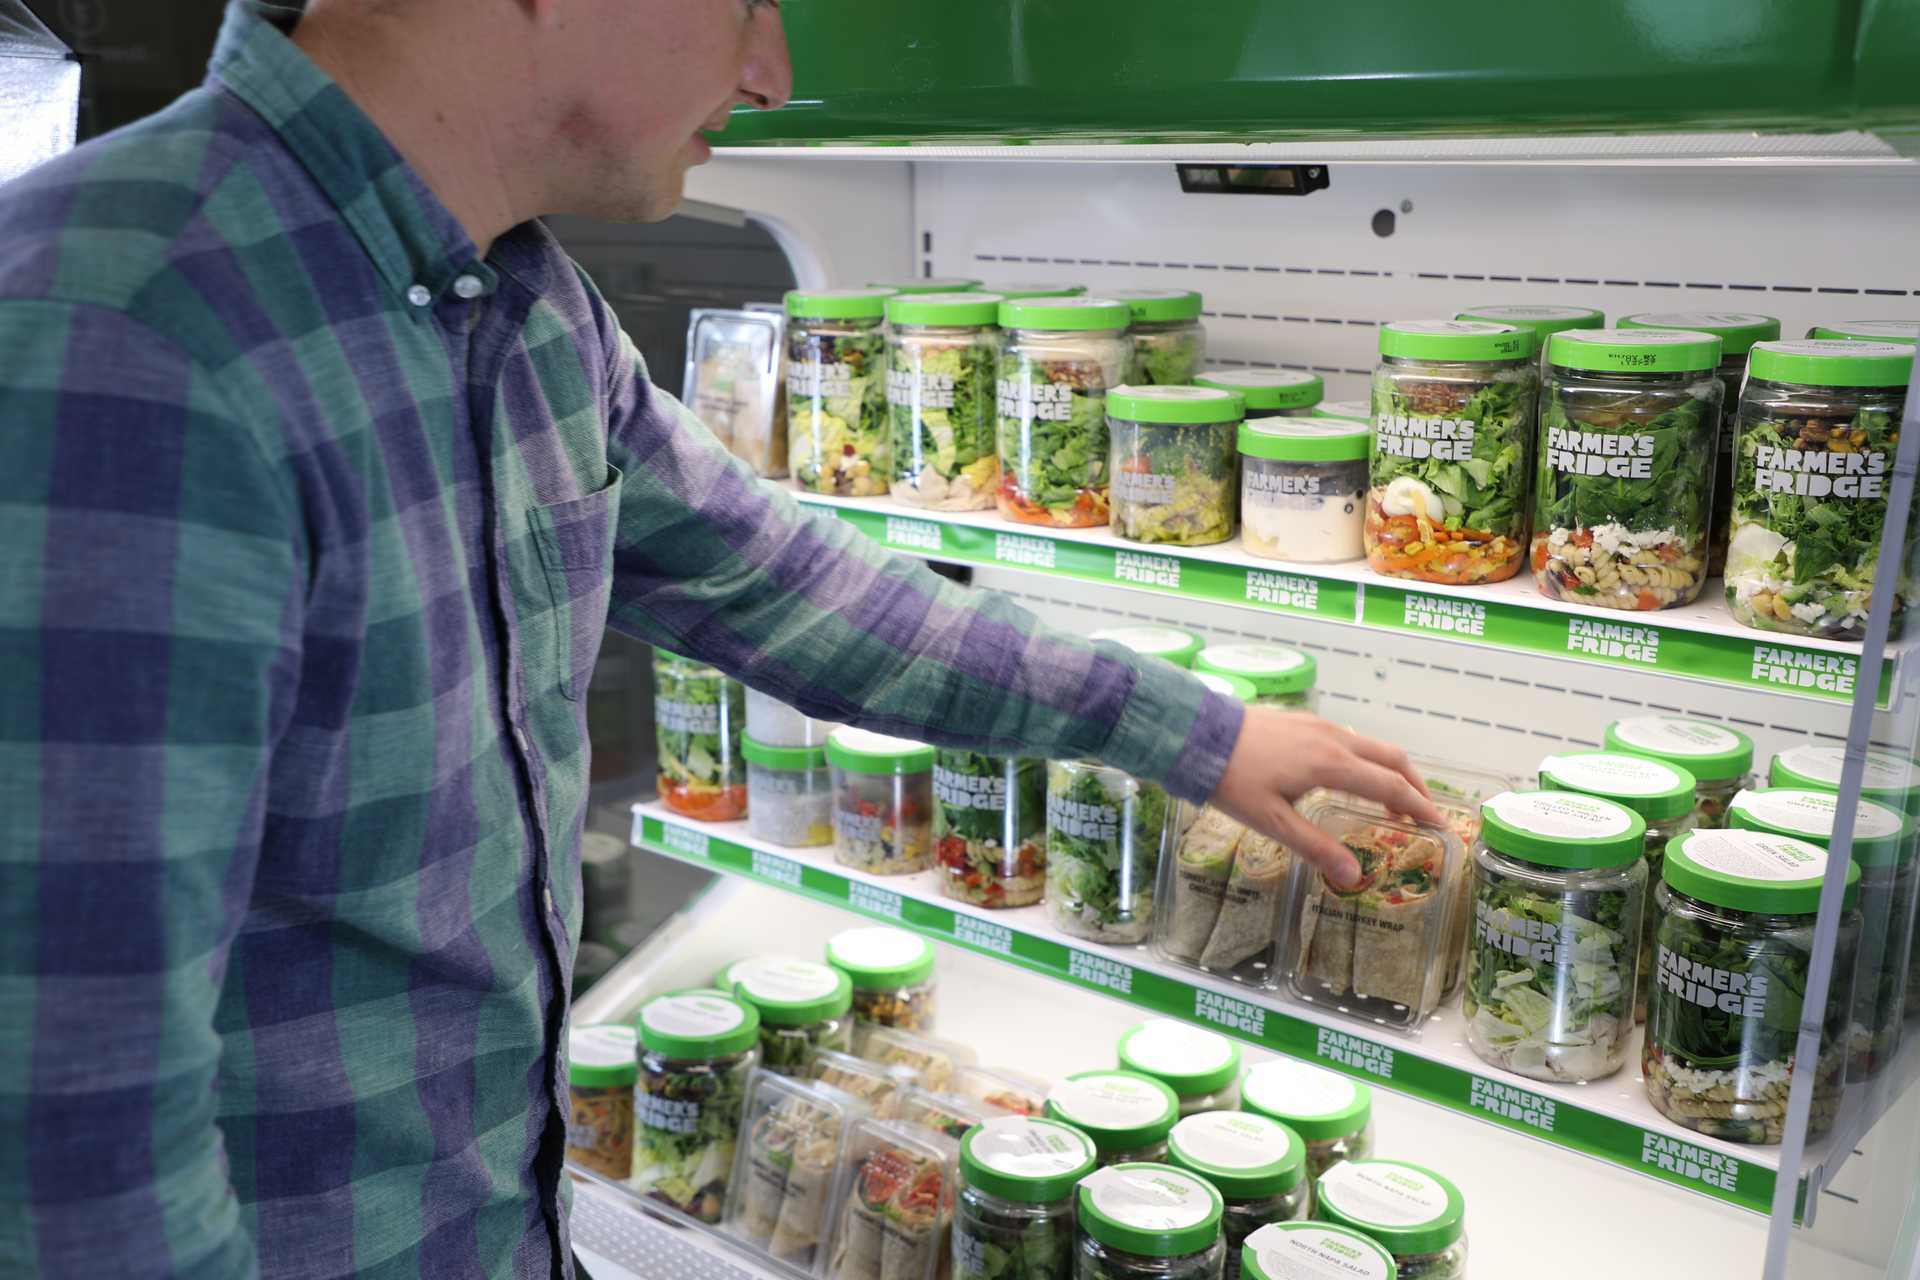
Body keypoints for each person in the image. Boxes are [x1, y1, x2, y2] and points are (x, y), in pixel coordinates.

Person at [0, 1, 1437, 1276]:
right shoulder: (122, 330)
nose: (771, 69)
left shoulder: (522, 303)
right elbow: (73, 1119)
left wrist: (1199, 732)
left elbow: (787, 583)